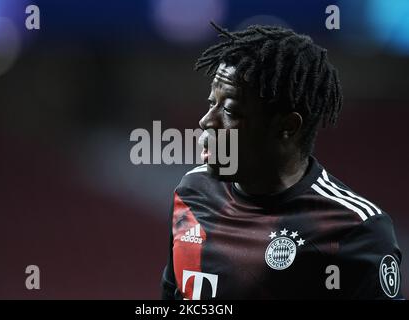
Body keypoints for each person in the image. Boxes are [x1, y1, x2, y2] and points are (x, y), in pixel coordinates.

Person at [161, 23, 402, 299]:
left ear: (287, 126)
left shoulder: (355, 230)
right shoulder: (191, 194)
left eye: (229, 109)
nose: (206, 121)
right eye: (211, 103)